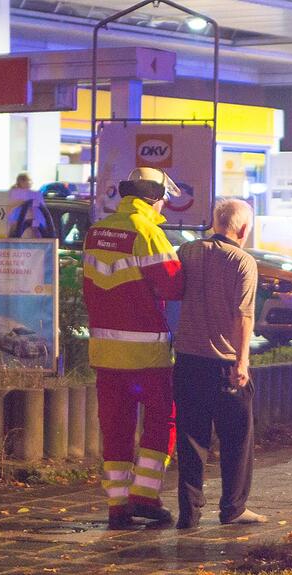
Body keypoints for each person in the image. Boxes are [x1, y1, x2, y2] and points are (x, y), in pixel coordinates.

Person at [83, 167, 183, 529]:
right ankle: (145, 495)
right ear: (154, 198)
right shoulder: (148, 232)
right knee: (162, 420)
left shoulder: (97, 231)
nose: (163, 209)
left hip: (105, 353)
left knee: (115, 426)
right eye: (163, 202)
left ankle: (117, 507)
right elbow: (173, 286)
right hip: (146, 355)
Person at [173, 199, 266, 529]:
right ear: (242, 229)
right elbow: (244, 316)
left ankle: (189, 511)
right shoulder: (242, 261)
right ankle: (233, 508)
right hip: (225, 365)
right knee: (237, 439)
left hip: (186, 360)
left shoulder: (188, 252)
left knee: (190, 439)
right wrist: (242, 362)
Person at [7, 173, 49, 238]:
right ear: (22, 182)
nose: (31, 183)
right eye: (29, 180)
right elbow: (40, 215)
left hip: (15, 233)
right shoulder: (34, 195)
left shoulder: (11, 194)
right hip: (31, 233)